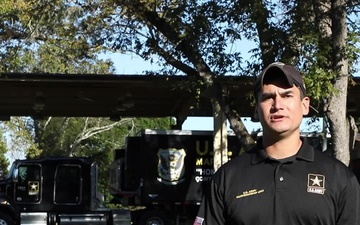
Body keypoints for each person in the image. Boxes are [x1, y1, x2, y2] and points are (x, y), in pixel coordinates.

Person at [194, 62, 360, 225]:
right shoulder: (227, 178)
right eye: (268, 97)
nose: (277, 105)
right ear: (256, 110)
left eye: (287, 96)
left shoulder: (340, 178)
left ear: (305, 105)